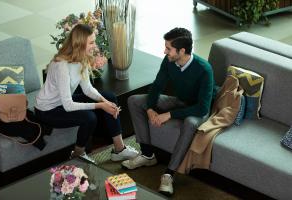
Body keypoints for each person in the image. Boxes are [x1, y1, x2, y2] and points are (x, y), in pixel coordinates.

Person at [122, 27, 215, 196]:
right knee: (134, 101)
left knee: (189, 122)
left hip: (197, 109)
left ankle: (169, 174)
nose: (165, 51)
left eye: (168, 48)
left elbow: (202, 108)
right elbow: (157, 86)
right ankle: (147, 154)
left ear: (182, 50)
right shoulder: (169, 61)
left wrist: (169, 115)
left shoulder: (204, 69)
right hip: (178, 101)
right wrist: (150, 108)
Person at [35, 24, 138, 164]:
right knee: (89, 118)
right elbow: (68, 105)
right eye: (91, 42)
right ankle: (77, 154)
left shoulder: (81, 58)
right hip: (47, 110)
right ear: (80, 43)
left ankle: (119, 149)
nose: (94, 46)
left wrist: (105, 102)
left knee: (110, 97)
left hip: (62, 102)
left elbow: (88, 89)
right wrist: (101, 106)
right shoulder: (61, 66)